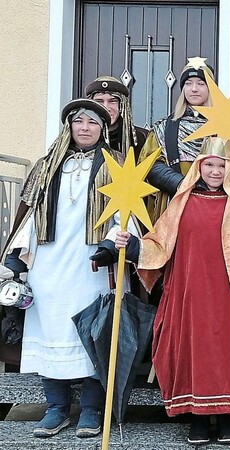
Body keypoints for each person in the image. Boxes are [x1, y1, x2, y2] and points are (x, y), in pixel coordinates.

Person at [113, 137, 230, 445]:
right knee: (193, 349)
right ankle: (198, 417)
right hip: (190, 291)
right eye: (209, 165)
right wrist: (135, 245)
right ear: (198, 166)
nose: (215, 172)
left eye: (222, 166)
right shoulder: (182, 201)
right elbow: (160, 243)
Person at [3, 99, 136, 439]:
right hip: (48, 261)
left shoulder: (117, 163)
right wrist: (17, 258)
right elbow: (30, 212)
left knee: (95, 330)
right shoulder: (47, 166)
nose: (86, 127)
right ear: (70, 126)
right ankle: (56, 408)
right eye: (79, 121)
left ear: (103, 128)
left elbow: (128, 210)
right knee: (50, 327)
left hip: (92, 263)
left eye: (93, 122)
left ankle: (91, 410)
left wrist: (110, 245)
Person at [140, 58, 214, 222]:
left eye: (201, 83)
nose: (194, 89)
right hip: (172, 204)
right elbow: (149, 165)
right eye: (188, 83)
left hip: (213, 205)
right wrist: (182, 184)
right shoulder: (164, 128)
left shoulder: (225, 128)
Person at [84, 76, 147, 158]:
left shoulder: (142, 138)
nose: (106, 107)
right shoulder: (81, 137)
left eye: (112, 101)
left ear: (122, 105)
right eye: (99, 101)